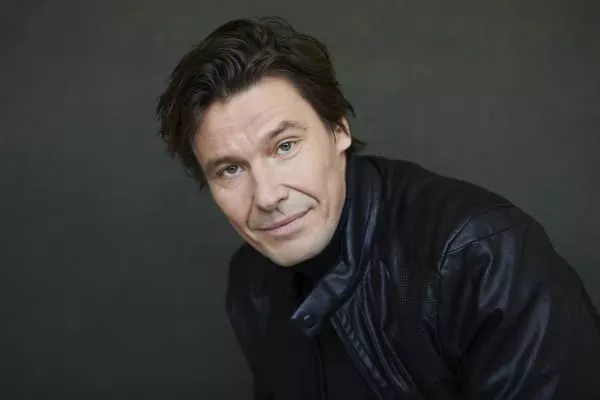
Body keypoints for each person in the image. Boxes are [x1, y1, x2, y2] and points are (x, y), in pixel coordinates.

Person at [155, 16, 600, 400]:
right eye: (231, 169)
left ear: (339, 130)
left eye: (285, 146)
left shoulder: (483, 258)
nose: (267, 196)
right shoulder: (252, 282)